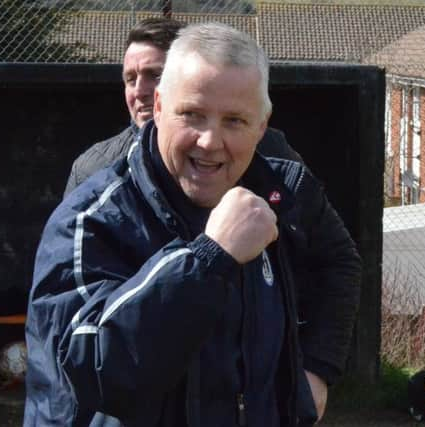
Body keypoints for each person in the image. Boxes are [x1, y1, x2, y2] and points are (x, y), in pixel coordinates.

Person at [25, 22, 361, 427]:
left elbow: (340, 262)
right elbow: (94, 372)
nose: (209, 140)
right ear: (161, 107)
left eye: (234, 120)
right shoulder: (91, 219)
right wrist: (208, 258)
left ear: (262, 123)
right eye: (192, 115)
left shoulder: (281, 191)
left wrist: (317, 372)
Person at [63, 17, 301, 198]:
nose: (139, 91)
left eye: (154, 75)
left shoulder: (270, 153)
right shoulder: (94, 169)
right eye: (130, 79)